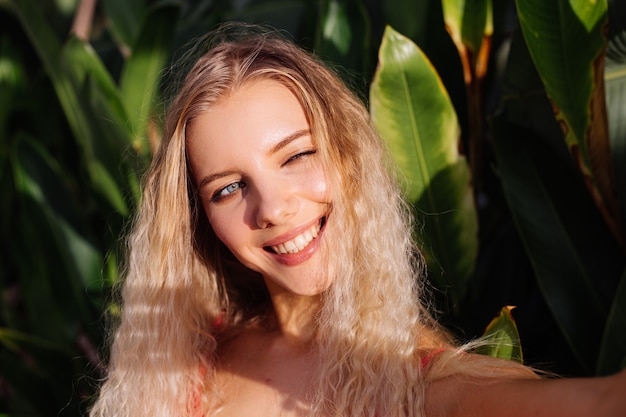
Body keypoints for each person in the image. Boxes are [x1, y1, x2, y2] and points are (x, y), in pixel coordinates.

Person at [89, 23, 626, 417]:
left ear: (349, 158)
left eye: (297, 155)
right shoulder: (184, 362)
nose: (273, 208)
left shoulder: (425, 387)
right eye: (228, 188)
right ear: (200, 219)